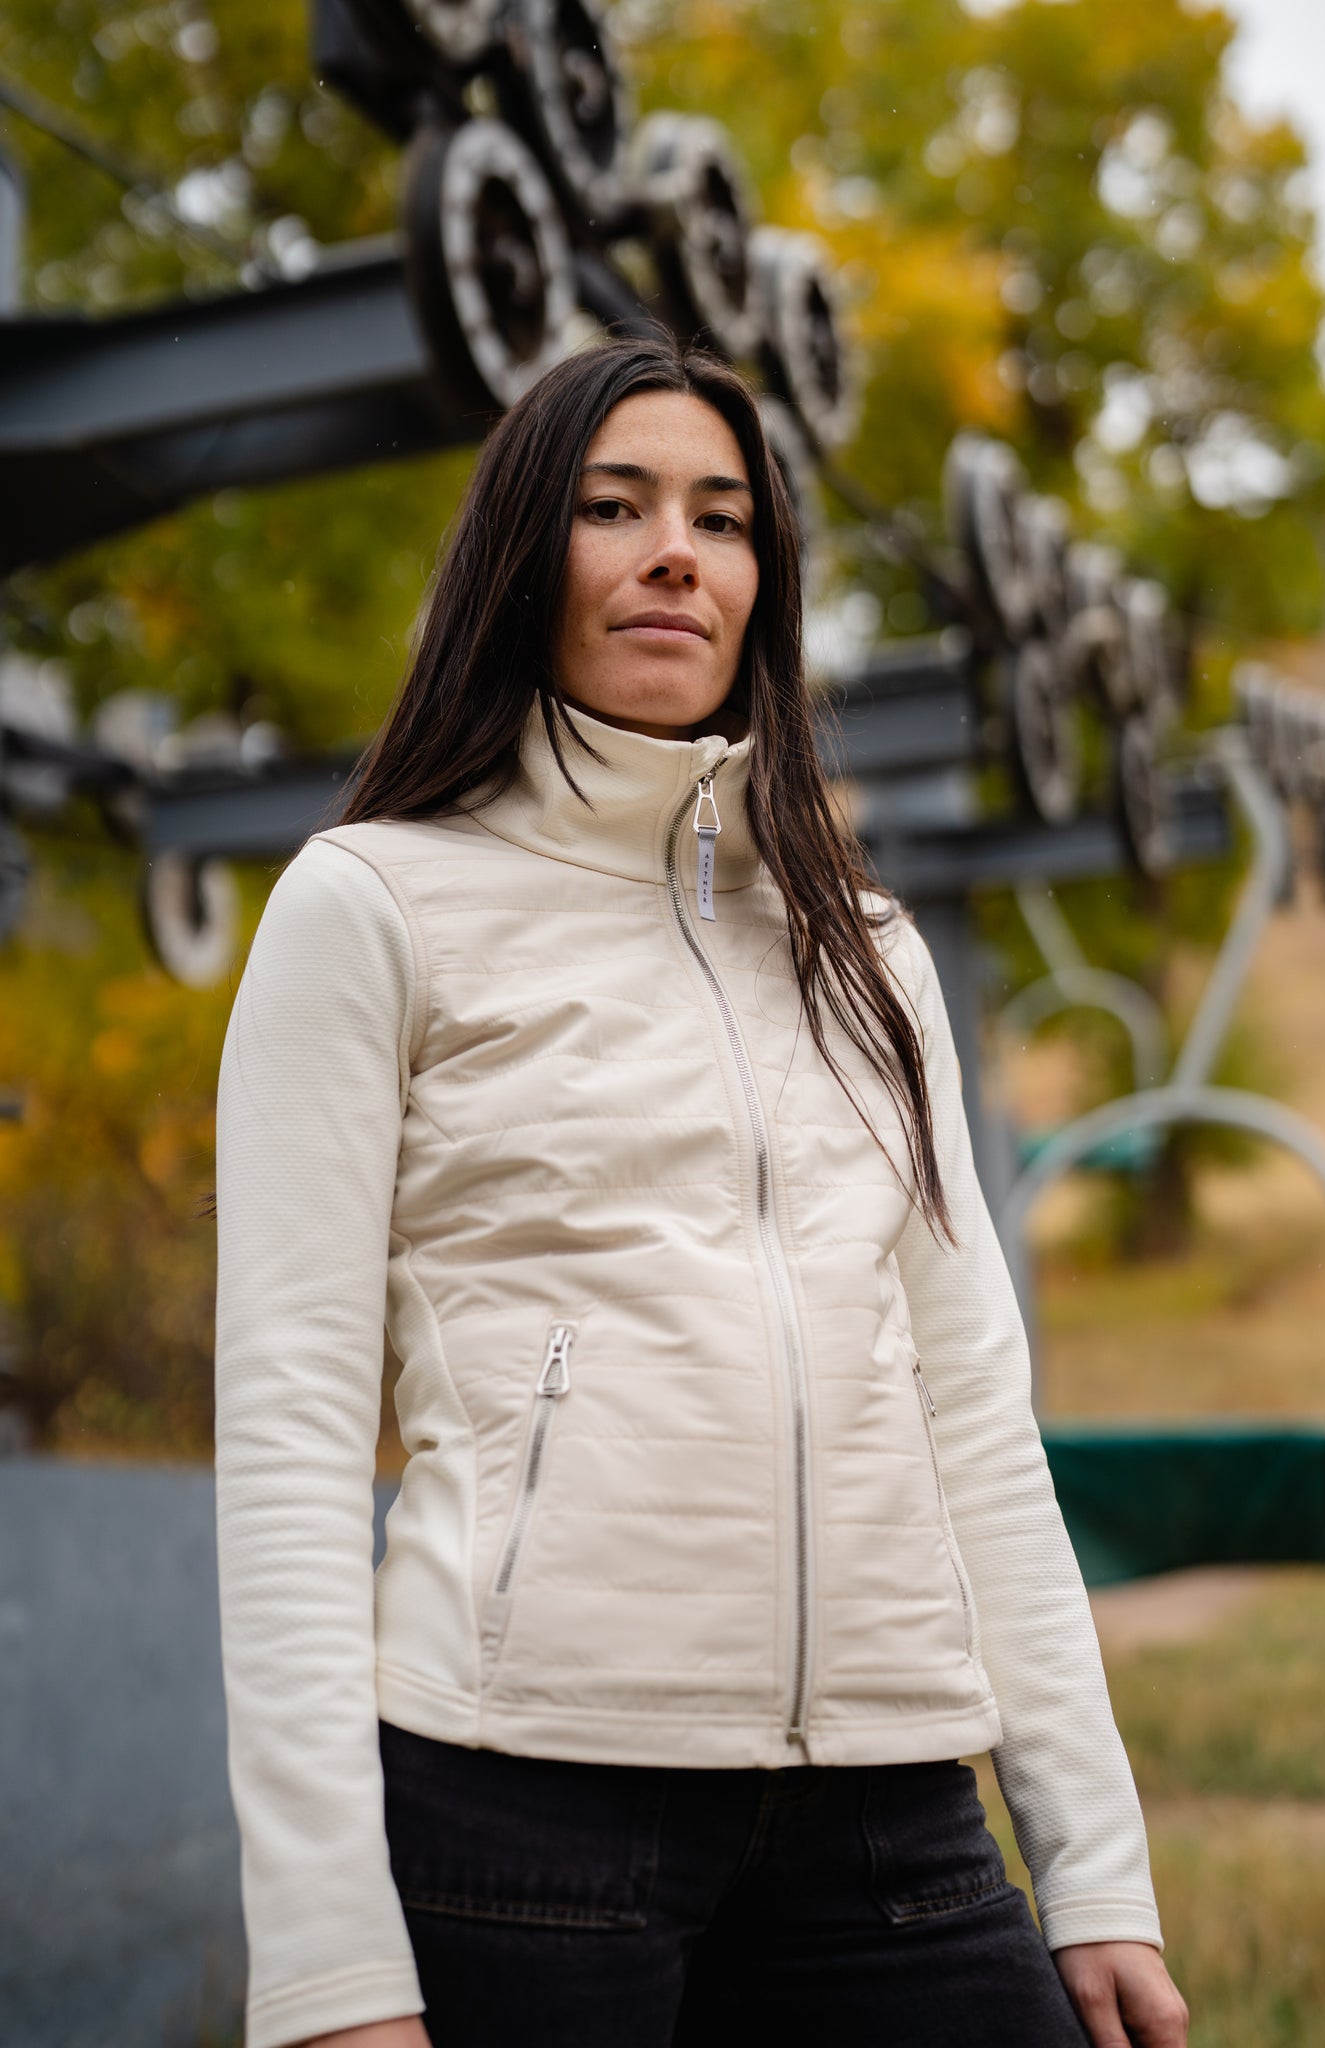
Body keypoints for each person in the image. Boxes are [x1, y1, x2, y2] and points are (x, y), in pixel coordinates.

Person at [214, 335, 1189, 2048]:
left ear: (762, 582)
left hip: (892, 1816)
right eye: (615, 505)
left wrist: (1091, 1863)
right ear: (526, 553)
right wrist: (327, 1964)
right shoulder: (370, 904)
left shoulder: (867, 953)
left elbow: (972, 1410)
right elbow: (288, 1433)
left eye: (721, 518)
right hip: (521, 1811)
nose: (677, 550)